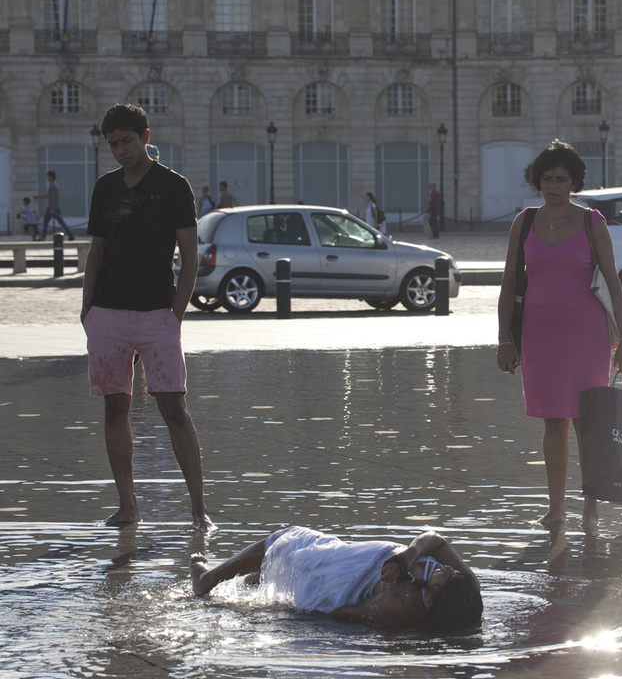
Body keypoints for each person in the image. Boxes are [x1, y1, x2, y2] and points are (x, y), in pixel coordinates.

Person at [81, 102, 214, 532]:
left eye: (127, 141)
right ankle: (128, 505)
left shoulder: (173, 186)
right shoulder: (105, 188)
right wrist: (87, 311)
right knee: (114, 409)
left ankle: (199, 510)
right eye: (113, 144)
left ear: (145, 137)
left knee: (174, 408)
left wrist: (175, 314)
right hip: (108, 313)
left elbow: (190, 257)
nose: (120, 151)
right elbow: (96, 254)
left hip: (157, 313)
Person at [496, 139, 622, 535]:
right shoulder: (524, 222)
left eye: (561, 179)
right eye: (546, 179)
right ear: (537, 182)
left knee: (587, 424)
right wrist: (505, 339)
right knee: (552, 423)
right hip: (539, 334)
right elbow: (508, 286)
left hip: (587, 335)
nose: (553, 185)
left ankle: (591, 508)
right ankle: (556, 508)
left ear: (574, 183)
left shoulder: (593, 223)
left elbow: (613, 283)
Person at [189, 526, 482, 632]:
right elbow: (435, 539)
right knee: (284, 564)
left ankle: (208, 580)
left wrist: (379, 592)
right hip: (354, 558)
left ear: (429, 601)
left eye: (444, 577)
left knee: (287, 542)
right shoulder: (466, 585)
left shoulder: (398, 608)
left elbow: (345, 613)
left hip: (342, 581)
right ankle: (255, 578)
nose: (448, 570)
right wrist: (408, 556)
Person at [36, 170, 75, 241]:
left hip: (52, 207)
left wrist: (52, 208)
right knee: (62, 223)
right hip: (55, 207)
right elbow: (49, 195)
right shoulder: (54, 185)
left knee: (45, 223)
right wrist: (39, 197)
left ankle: (42, 237)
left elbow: (53, 198)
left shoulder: (53, 186)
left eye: (47, 176)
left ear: (50, 176)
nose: (47, 177)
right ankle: (71, 235)